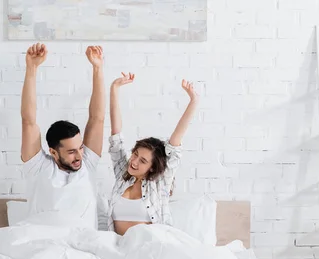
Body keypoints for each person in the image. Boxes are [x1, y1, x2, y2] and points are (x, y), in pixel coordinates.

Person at [20, 43, 105, 229]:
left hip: (82, 246)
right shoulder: (38, 167)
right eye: (72, 151)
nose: (79, 156)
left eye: (80, 148)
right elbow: (28, 121)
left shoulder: (87, 164)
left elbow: (97, 119)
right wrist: (31, 69)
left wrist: (97, 68)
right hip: (44, 244)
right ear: (53, 152)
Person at [107, 72, 199, 235]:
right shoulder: (123, 174)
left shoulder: (160, 182)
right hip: (118, 247)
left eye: (142, 161)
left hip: (151, 247)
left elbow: (175, 142)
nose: (134, 161)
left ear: (152, 168)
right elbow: (116, 137)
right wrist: (114, 88)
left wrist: (194, 101)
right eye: (135, 154)